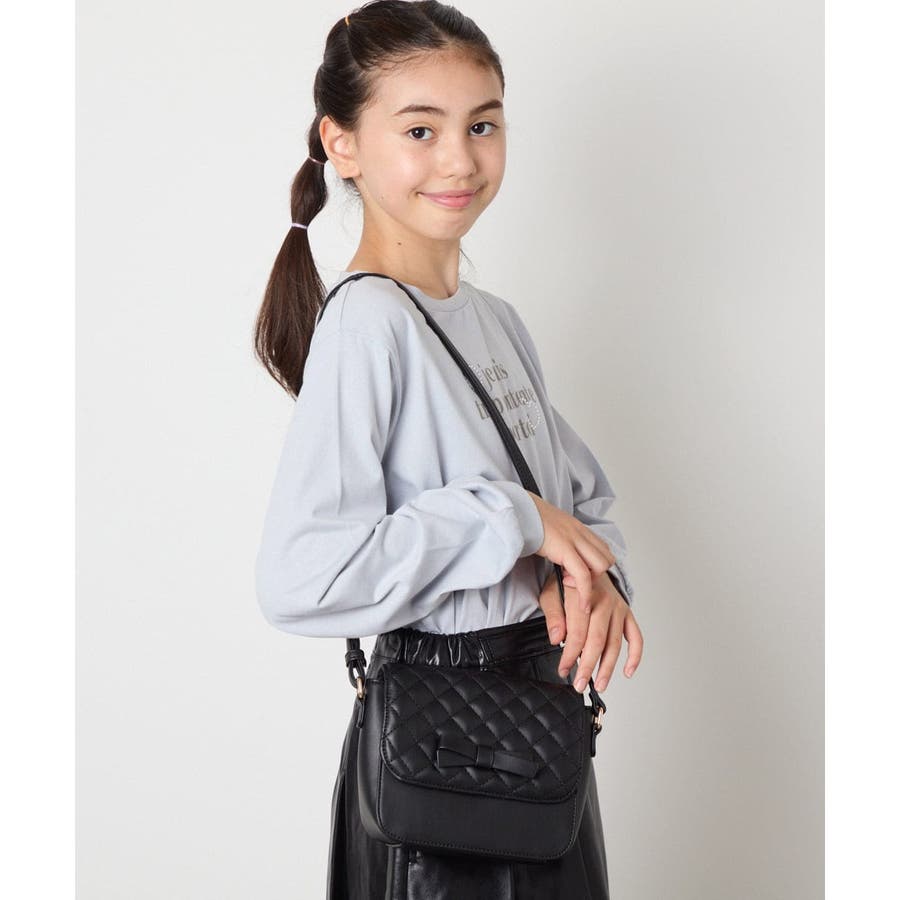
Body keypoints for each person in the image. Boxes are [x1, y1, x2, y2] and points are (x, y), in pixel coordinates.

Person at [252, 2, 644, 897]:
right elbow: (301, 576)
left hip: (537, 725)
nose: (460, 160)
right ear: (343, 144)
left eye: (483, 125)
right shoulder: (368, 324)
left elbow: (576, 499)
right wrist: (509, 519)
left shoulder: (494, 320)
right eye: (420, 130)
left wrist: (595, 578)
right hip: (444, 754)